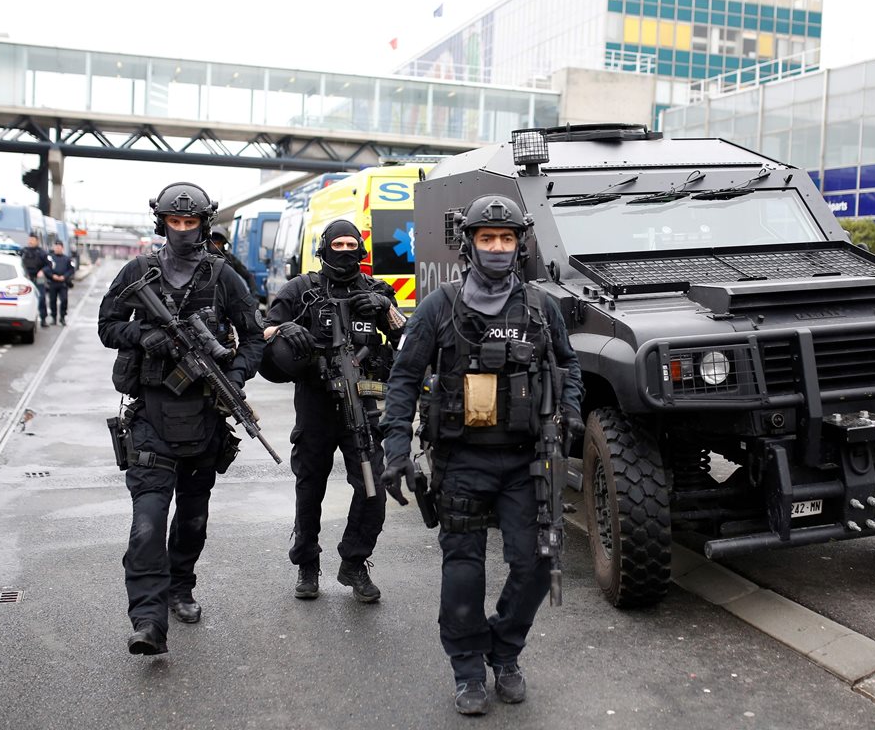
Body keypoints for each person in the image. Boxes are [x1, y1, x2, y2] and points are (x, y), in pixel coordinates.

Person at [379, 195, 584, 716]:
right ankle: (469, 666)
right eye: (487, 238)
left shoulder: (541, 307)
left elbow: (569, 367)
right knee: (464, 570)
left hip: (525, 462)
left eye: (507, 239)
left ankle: (506, 650)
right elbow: (403, 380)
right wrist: (396, 448)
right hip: (462, 462)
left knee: (538, 563)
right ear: (469, 244)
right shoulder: (439, 306)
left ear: (519, 245)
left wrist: (572, 414)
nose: (497, 248)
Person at [97, 182, 264, 657]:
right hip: (150, 415)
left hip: (206, 416)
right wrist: (141, 335)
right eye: (176, 222)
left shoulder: (224, 275)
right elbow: (107, 325)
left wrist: (232, 374)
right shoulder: (140, 270)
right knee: (147, 523)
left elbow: (254, 338)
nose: (184, 230)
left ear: (204, 224)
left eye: (192, 223)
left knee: (193, 517)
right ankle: (148, 619)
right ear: (163, 223)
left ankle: (180, 586)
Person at [261, 218, 404, 602]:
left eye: (350, 245)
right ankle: (307, 563)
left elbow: (407, 333)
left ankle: (354, 563)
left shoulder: (376, 290)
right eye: (336, 245)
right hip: (316, 404)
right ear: (324, 249)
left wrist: (386, 307)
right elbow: (263, 329)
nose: (344, 251)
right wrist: (285, 329)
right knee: (310, 488)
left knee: (373, 488)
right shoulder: (300, 290)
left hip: (363, 404)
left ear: (361, 249)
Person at [208, 229, 259, 298]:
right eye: (213, 244)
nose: (216, 247)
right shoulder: (201, 259)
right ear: (208, 244)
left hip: (227, 299)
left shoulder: (230, 259)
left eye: (218, 244)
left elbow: (248, 276)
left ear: (223, 244)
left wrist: (254, 294)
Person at [20, 233, 49, 328]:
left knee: (41, 298)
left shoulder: (42, 253)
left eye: (32, 239)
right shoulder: (24, 251)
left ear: (37, 241)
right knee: (25, 299)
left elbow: (49, 265)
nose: (30, 241)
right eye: (29, 239)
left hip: (38, 278)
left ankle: (43, 319)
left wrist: (42, 271)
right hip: (26, 278)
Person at [43, 240, 75, 326]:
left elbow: (71, 269)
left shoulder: (67, 259)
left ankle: (62, 317)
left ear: (62, 248)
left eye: (59, 247)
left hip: (63, 283)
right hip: (53, 282)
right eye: (56, 247)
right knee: (52, 300)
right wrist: (52, 275)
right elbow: (46, 268)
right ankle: (54, 317)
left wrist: (64, 276)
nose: (57, 248)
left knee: (64, 300)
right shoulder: (50, 258)